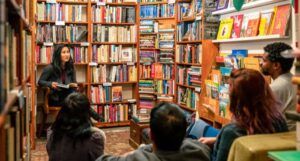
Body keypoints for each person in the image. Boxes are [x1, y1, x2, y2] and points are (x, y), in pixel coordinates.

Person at [199, 68, 288, 161]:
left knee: (194, 133)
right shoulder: (279, 121)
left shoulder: (232, 131)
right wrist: (217, 140)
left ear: (236, 99)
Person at [96, 102, 211, 161]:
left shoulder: (139, 158)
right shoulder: (200, 151)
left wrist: (134, 152)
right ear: (183, 133)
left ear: (151, 134)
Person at [38, 44, 101, 121]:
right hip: (56, 97)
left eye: (68, 52)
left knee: (77, 100)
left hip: (69, 95)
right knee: (79, 101)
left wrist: (75, 85)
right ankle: (94, 117)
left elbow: (74, 83)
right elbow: (40, 81)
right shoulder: (50, 68)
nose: (66, 54)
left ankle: (86, 125)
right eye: (63, 52)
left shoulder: (71, 67)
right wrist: (50, 84)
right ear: (58, 54)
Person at [47, 92, 105, 161]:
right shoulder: (95, 138)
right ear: (86, 114)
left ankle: (98, 117)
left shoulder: (51, 132)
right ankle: (99, 117)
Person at [260, 42, 297, 130]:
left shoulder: (273, 88)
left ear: (276, 65)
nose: (261, 63)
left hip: (283, 136)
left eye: (264, 61)